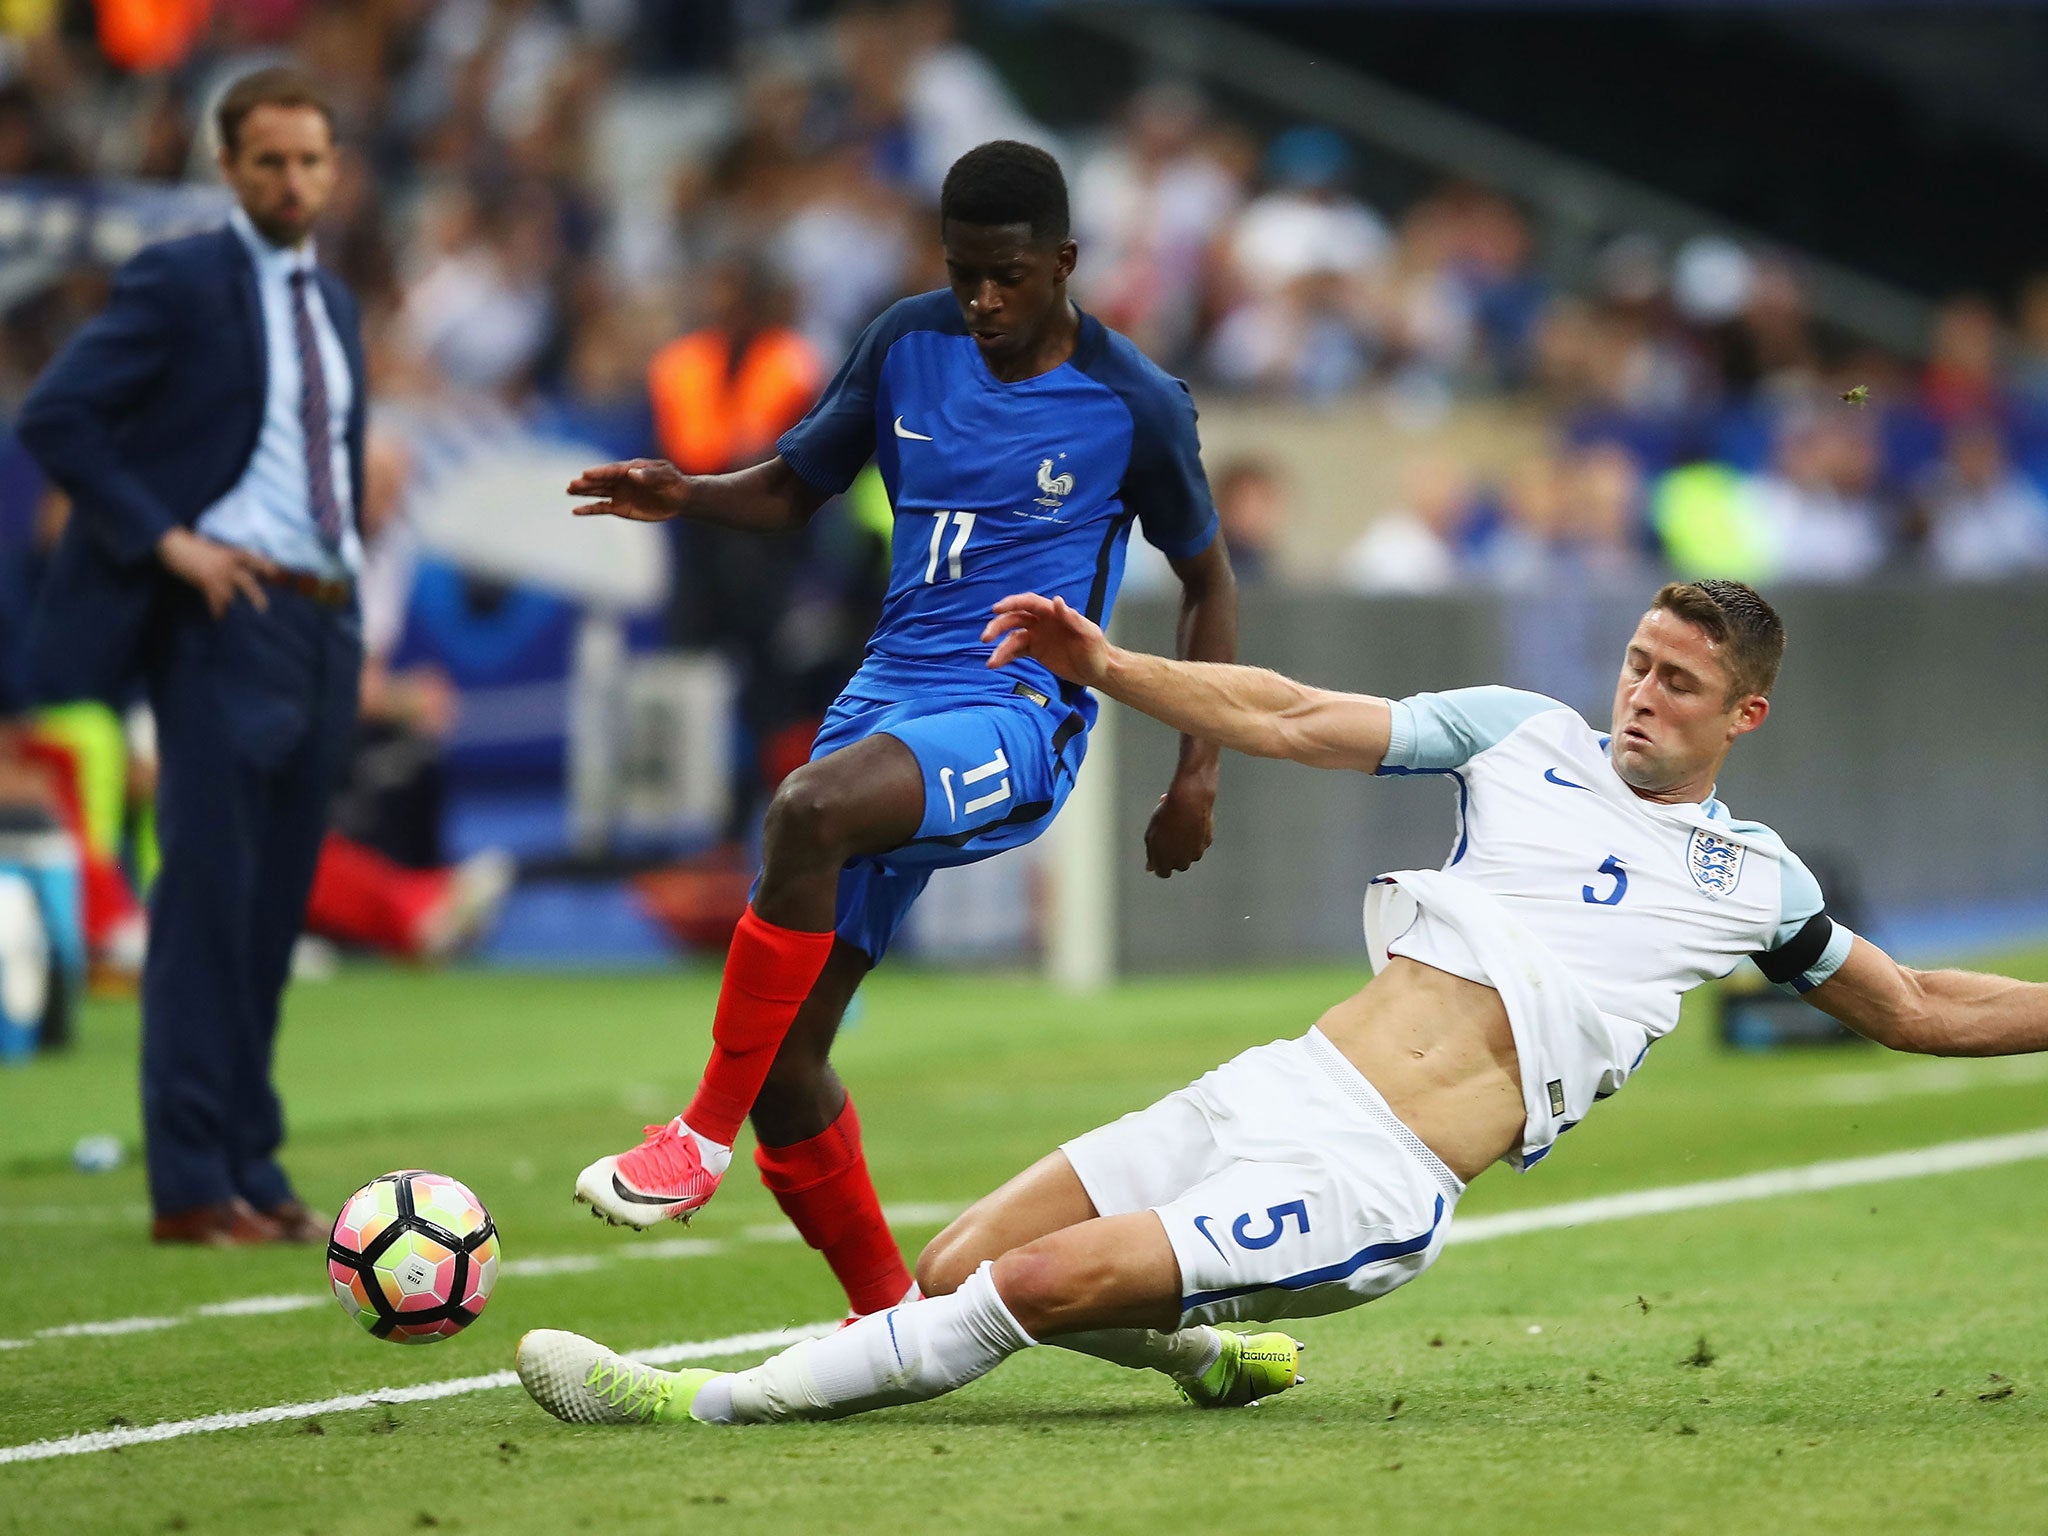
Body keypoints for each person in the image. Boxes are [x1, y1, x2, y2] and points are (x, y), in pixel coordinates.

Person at [516, 578, 2048, 1429]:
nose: (1639, 696)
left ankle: (695, 1405)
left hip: (1372, 1175)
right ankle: (1201, 1348)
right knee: (962, 1258)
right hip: (1280, 1083)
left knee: (1036, 1292)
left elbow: (1911, 1002)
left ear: (1745, 717)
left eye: (1676, 685)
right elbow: (1299, 715)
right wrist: (1113, 663)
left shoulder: (1754, 877)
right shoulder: (1523, 738)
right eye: (1636, 664)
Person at [563, 140, 1238, 1323]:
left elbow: (1207, 582)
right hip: (884, 696)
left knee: (805, 809)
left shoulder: (1133, 400)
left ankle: (694, 1138)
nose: (982, 300)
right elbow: (794, 484)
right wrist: (691, 493)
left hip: (1013, 715)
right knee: (788, 1063)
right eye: (965, 272)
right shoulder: (905, 341)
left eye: (1009, 277)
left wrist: (1197, 774)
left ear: (1064, 263)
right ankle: (889, 1319)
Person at [17, 67, 366, 1247]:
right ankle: (186, 1185)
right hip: (228, 616)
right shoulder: (181, 276)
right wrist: (169, 542)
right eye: (267, 160)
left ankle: (251, 1167)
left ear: (334, 167)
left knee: (271, 912)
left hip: (324, 617)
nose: (290, 180)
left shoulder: (336, 303)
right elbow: (55, 415)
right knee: (206, 906)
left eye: (309, 160)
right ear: (226, 168)